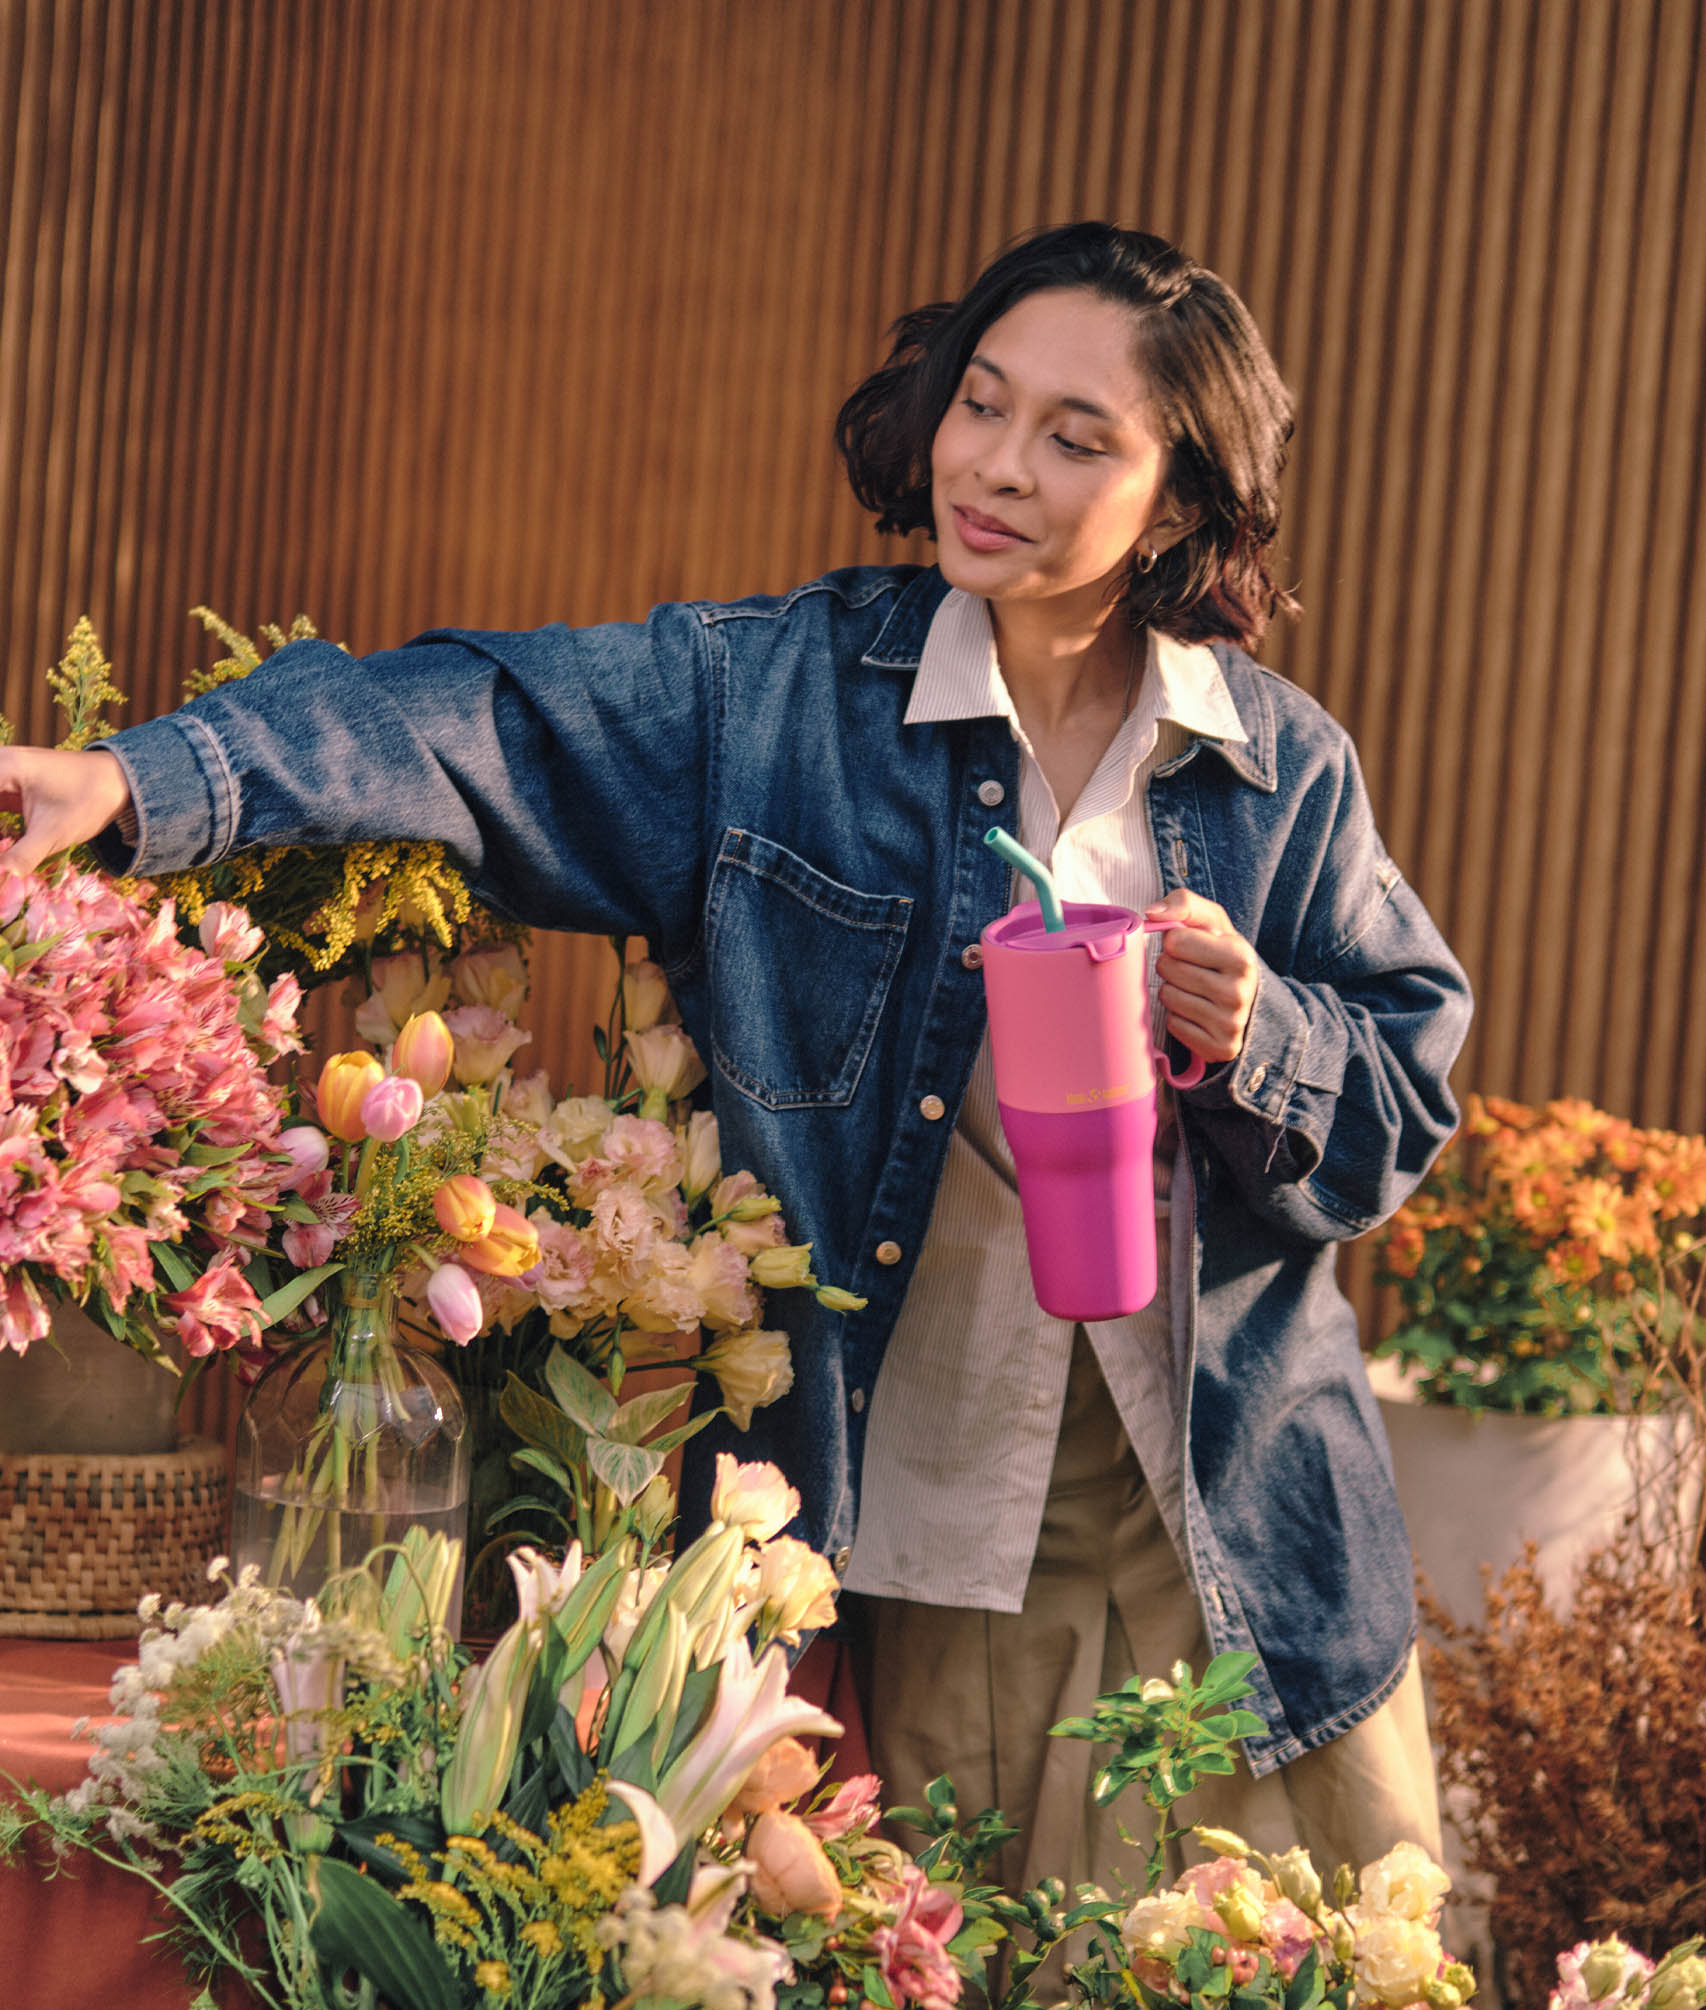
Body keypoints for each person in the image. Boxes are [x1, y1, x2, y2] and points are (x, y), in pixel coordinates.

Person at [0, 223, 1470, 1908]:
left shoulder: (1278, 768)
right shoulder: (773, 700)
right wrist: (141, 784)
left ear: (1185, 497)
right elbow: (472, 715)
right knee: (969, 1983)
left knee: (1300, 1985)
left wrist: (1256, 1028)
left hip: (1237, 1517)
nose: (994, 466)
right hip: (934, 1509)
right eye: (978, 404)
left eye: (1078, 439)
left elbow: (1395, 1112)